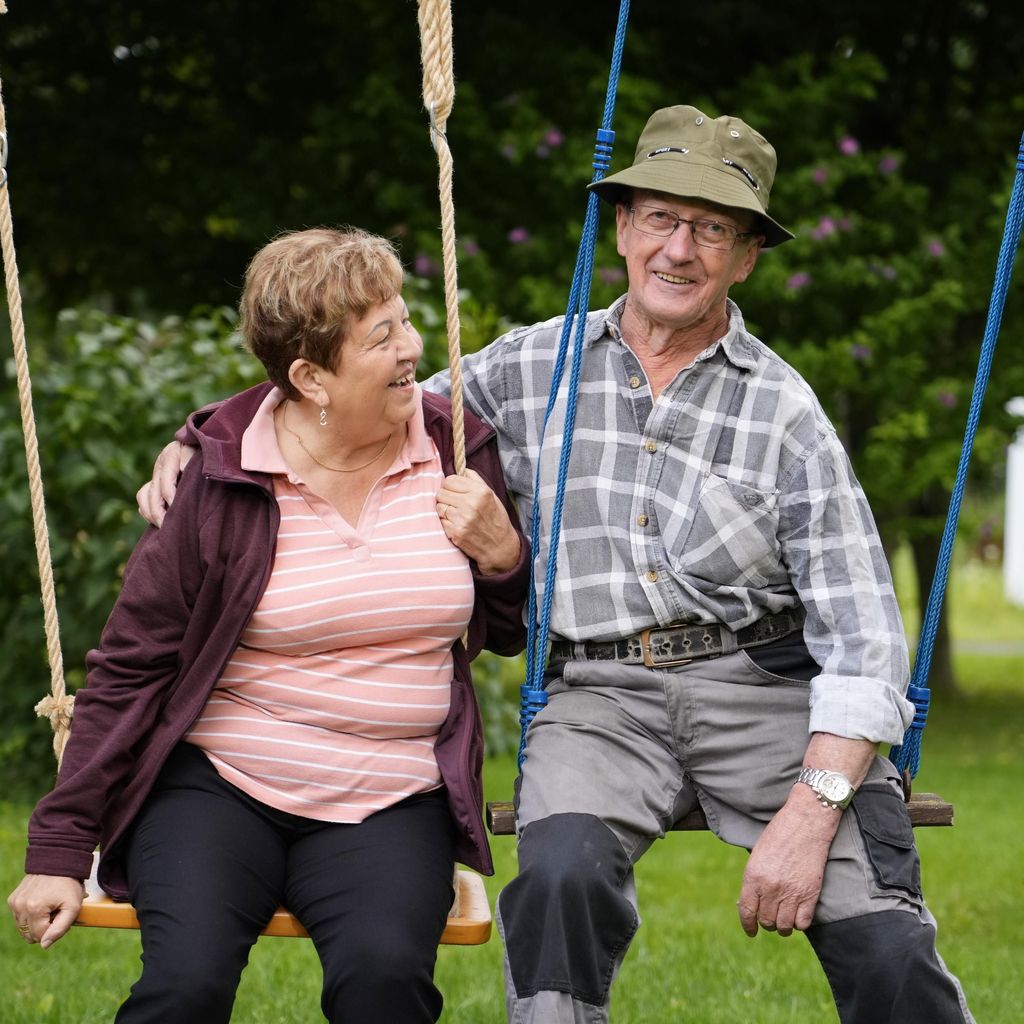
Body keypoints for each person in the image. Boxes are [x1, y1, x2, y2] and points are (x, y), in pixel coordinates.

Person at [134, 107, 974, 1024]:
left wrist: (811, 813)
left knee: (886, 943)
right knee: (560, 882)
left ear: (745, 257)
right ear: (621, 228)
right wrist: (204, 435)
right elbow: (352, 395)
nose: (680, 248)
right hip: (599, 699)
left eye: (713, 228)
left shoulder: (787, 414)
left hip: (767, 694)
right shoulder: (532, 366)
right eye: (659, 216)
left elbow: (862, 643)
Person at [8, 227, 530, 1024]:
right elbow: (130, 668)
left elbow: (510, 627)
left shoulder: (458, 447)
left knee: (384, 984)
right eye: (381, 335)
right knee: (184, 987)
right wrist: (57, 849)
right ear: (310, 378)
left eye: (405, 320)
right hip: (218, 787)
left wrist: (504, 556)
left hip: (392, 795)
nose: (412, 348)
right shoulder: (223, 475)